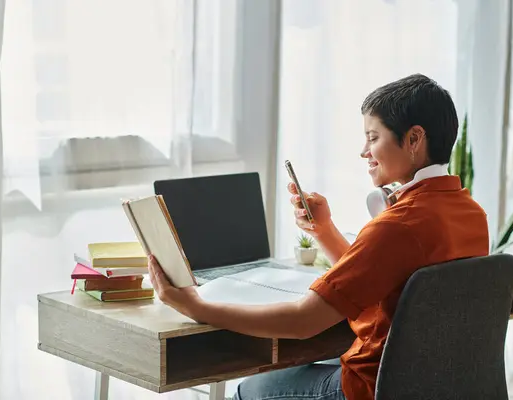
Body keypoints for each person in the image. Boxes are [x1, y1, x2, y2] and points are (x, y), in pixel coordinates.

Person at [147, 73, 490, 400]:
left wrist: (196, 306)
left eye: (373, 138)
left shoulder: (398, 224)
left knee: (249, 389)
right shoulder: (470, 214)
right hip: (431, 385)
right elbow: (378, 278)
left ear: (414, 139)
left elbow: (303, 322)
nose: (364, 152)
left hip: (369, 388)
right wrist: (324, 231)